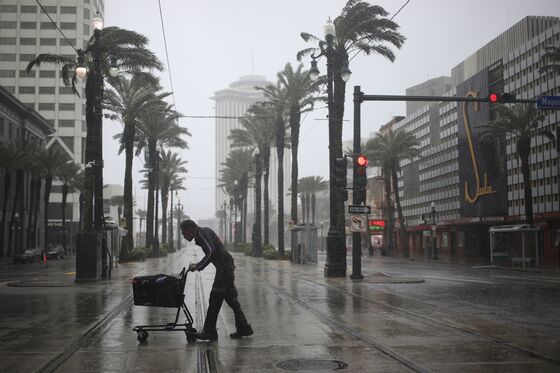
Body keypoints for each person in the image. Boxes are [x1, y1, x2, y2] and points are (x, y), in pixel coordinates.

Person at [181, 219, 253, 341]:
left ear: (191, 229)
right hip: (225, 266)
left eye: (184, 232)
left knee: (215, 298)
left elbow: (211, 251)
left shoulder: (202, 233)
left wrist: (198, 266)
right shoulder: (202, 233)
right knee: (232, 300)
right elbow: (212, 252)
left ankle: (210, 331)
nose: (183, 235)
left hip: (224, 268)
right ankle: (244, 328)